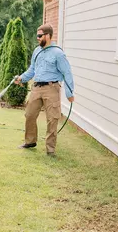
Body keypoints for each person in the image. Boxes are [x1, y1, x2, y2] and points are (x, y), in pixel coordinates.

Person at [15, 24, 74, 157]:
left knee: (52, 119)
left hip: (51, 88)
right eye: (37, 35)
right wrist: (22, 78)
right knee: (29, 115)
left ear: (48, 36)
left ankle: (50, 149)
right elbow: (32, 70)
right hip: (36, 88)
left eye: (40, 36)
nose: (37, 38)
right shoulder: (37, 51)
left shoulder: (58, 53)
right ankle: (30, 142)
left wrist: (69, 93)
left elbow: (67, 73)